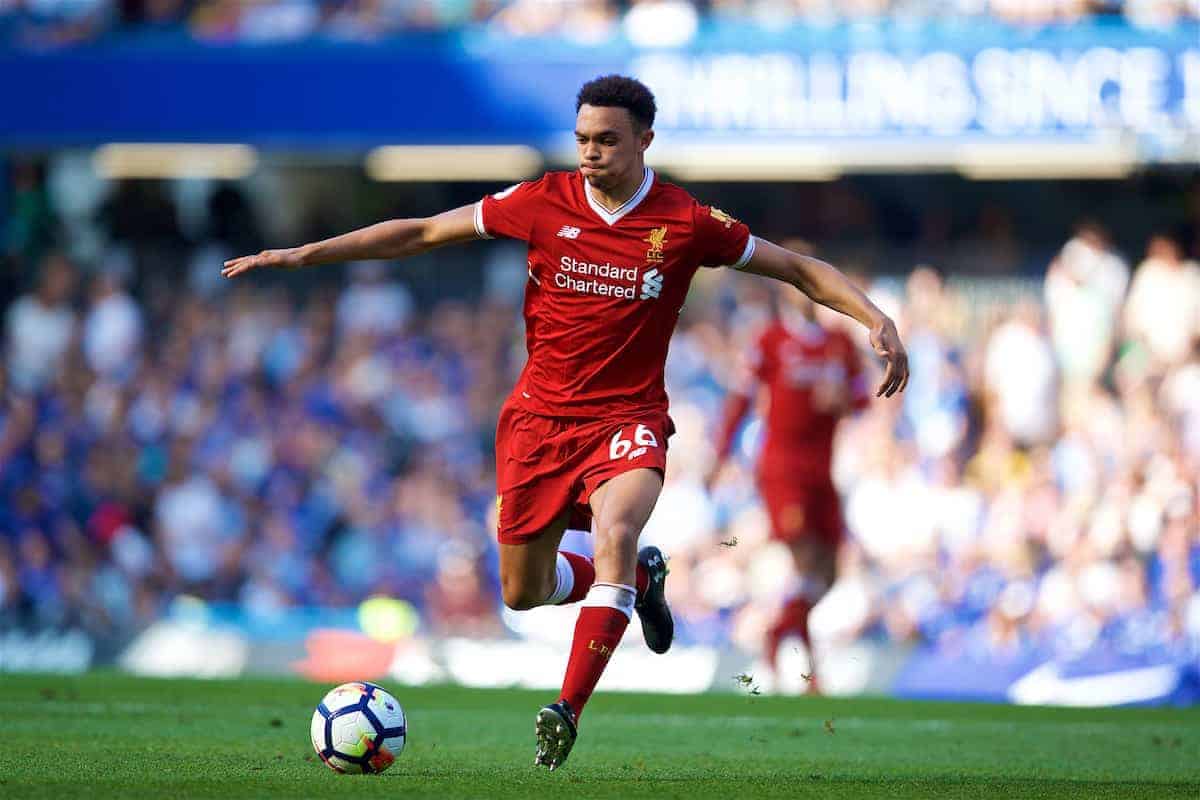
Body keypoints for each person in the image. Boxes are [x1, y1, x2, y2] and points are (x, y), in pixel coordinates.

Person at [222, 74, 908, 769]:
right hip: (537, 424)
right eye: (582, 139)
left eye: (607, 140)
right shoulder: (541, 201)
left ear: (645, 140)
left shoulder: (686, 221)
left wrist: (874, 317)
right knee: (523, 591)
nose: (591, 152)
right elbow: (425, 231)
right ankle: (639, 585)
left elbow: (798, 271)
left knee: (616, 531)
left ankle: (567, 708)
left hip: (629, 420)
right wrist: (306, 254)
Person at [707, 276, 870, 692]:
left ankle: (779, 632)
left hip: (822, 471)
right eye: (801, 284)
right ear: (786, 291)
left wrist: (845, 400)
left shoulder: (840, 343)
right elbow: (741, 398)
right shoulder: (771, 340)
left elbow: (863, 397)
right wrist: (721, 454)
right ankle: (808, 667)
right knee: (803, 560)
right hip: (783, 469)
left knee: (827, 573)